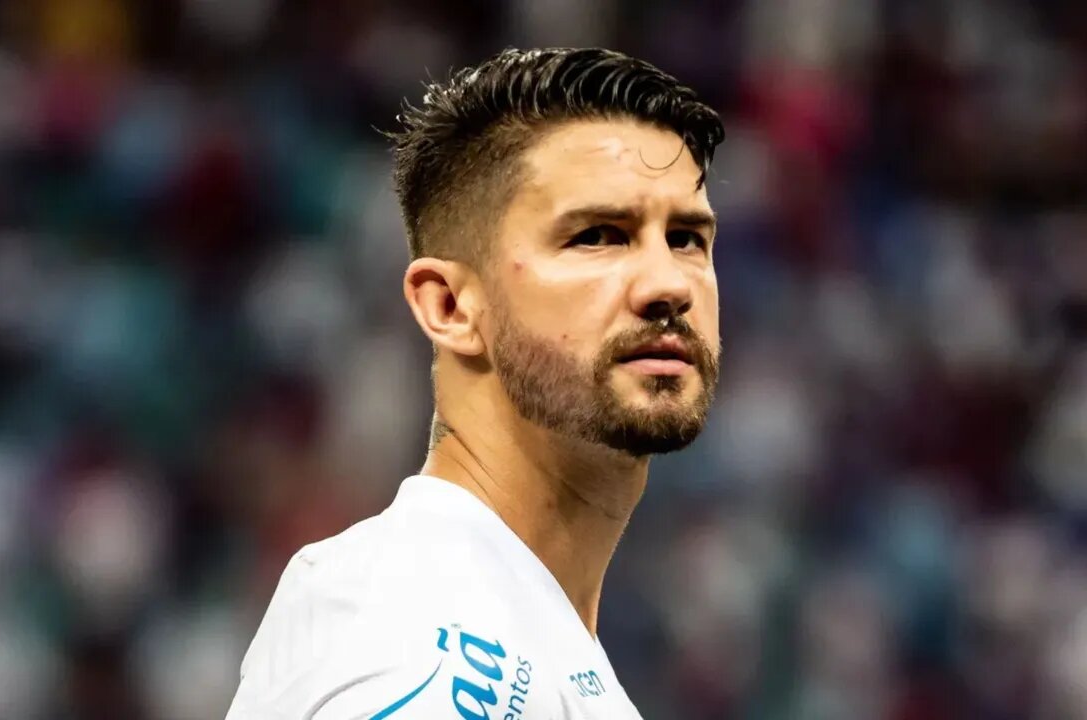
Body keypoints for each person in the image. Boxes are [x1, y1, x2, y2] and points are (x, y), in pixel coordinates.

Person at [226, 46, 725, 719]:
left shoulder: (513, 626)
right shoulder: (432, 646)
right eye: (597, 236)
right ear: (450, 307)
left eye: (688, 239)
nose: (668, 284)